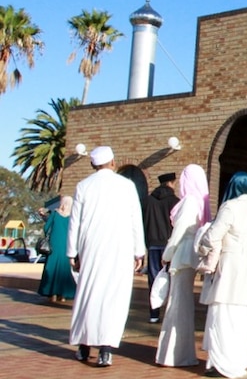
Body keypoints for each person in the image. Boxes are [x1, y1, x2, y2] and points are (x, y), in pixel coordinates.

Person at [67, 146, 146, 367]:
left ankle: (84, 347)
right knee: (113, 299)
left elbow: (75, 222)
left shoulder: (83, 186)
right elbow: (135, 219)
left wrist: (72, 252)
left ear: (93, 165)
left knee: (88, 295)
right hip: (120, 249)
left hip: (90, 248)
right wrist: (138, 250)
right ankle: (106, 349)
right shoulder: (127, 186)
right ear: (113, 162)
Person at [198, 171, 247, 378]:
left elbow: (213, 236)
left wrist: (203, 248)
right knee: (244, 319)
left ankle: (221, 363)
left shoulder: (230, 207)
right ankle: (238, 360)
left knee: (223, 316)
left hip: (230, 269)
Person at [155, 163, 211, 367]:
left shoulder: (189, 202)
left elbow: (178, 232)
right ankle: (179, 352)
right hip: (190, 255)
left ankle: (174, 354)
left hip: (182, 254)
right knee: (182, 303)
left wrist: (167, 254)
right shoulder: (199, 202)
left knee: (177, 304)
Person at [142, 171, 179, 323]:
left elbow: (144, 222)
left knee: (153, 279)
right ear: (171, 183)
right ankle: (170, 312)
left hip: (152, 244)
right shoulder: (175, 201)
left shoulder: (148, 200)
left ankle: (154, 313)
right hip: (169, 244)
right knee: (172, 278)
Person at [37, 196, 76, 302]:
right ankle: (63, 295)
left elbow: (46, 228)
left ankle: (52, 293)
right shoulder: (72, 217)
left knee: (52, 267)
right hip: (66, 245)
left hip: (54, 244)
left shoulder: (55, 214)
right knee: (64, 268)